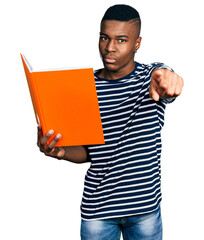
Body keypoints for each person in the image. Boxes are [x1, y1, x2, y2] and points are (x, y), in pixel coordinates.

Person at [37, 4, 183, 240]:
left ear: (137, 43)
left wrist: (169, 78)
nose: (109, 48)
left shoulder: (150, 78)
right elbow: (89, 152)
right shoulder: (85, 87)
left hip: (145, 210)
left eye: (121, 40)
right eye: (104, 37)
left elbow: (164, 78)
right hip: (98, 211)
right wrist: (62, 152)